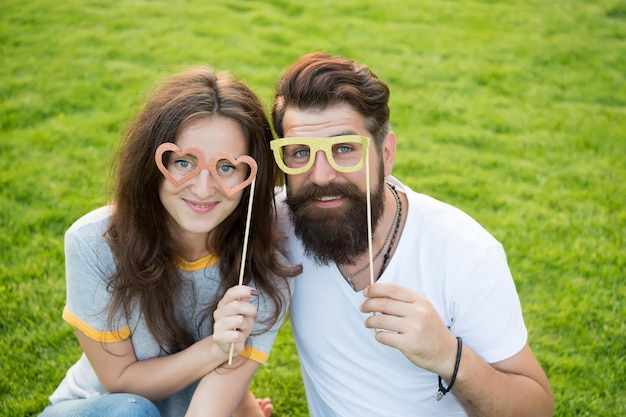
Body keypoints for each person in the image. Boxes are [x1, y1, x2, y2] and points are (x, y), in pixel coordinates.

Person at [270, 52, 554, 416]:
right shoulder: (278, 224)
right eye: (300, 153)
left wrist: (449, 356)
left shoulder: (464, 252)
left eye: (344, 150)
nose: (321, 175)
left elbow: (537, 408)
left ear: (385, 155)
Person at [40, 67, 300, 417]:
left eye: (226, 168)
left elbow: (213, 403)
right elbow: (120, 382)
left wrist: (245, 406)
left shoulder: (267, 270)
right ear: (151, 162)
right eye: (183, 162)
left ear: (250, 176)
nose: (204, 189)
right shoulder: (94, 244)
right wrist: (215, 348)